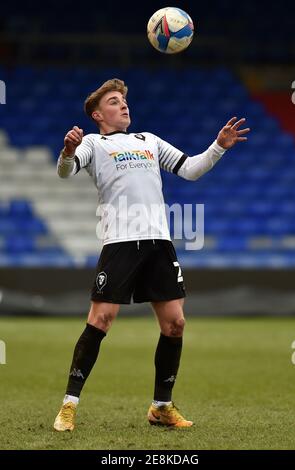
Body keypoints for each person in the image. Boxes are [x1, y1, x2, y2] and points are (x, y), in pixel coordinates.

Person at [53, 78, 250, 431]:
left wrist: (218, 146)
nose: (123, 105)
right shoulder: (93, 144)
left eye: (124, 100)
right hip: (120, 243)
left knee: (175, 323)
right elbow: (65, 173)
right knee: (101, 320)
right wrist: (68, 152)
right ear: (98, 114)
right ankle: (69, 405)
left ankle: (161, 407)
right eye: (114, 102)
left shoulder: (149, 141)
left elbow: (189, 169)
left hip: (159, 242)